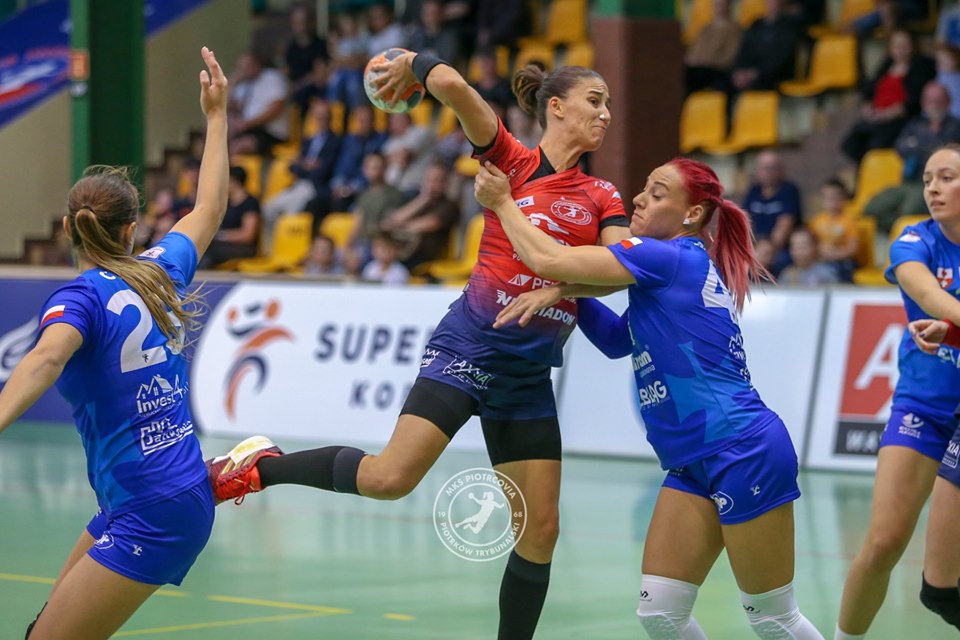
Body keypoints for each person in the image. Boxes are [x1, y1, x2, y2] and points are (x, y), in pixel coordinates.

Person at [208, 52, 631, 640]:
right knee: (390, 479)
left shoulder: (603, 194)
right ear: (555, 107)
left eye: (608, 104)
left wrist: (560, 286)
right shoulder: (510, 160)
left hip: (528, 375)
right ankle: (260, 468)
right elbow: (453, 86)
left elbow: (619, 270)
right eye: (595, 101)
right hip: (469, 349)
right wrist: (411, 61)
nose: (606, 113)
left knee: (540, 532)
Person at [472, 156, 823, 640]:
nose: (638, 199)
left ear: (692, 214)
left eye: (657, 194)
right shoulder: (665, 271)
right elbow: (618, 340)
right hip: (692, 461)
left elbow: (547, 259)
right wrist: (566, 292)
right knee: (661, 614)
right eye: (644, 188)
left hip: (740, 449)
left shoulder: (667, 256)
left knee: (774, 619)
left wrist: (503, 204)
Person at [6, 47, 229, 640]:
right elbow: (210, 206)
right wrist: (216, 117)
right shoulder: (160, 269)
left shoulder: (78, 299)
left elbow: (45, 358)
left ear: (68, 229)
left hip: (151, 511)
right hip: (152, 497)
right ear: (132, 230)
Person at [834, 144, 960, 639]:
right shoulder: (913, 240)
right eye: (927, 179)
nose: (933, 188)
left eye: (946, 177)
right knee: (884, 542)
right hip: (923, 406)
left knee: (943, 582)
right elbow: (930, 297)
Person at [200, 165, 261, 269]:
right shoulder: (226, 203)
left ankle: (200, 276)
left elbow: (248, 235)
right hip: (224, 245)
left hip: (244, 248)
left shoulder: (250, 203)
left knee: (209, 251)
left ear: (234, 181)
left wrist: (222, 236)